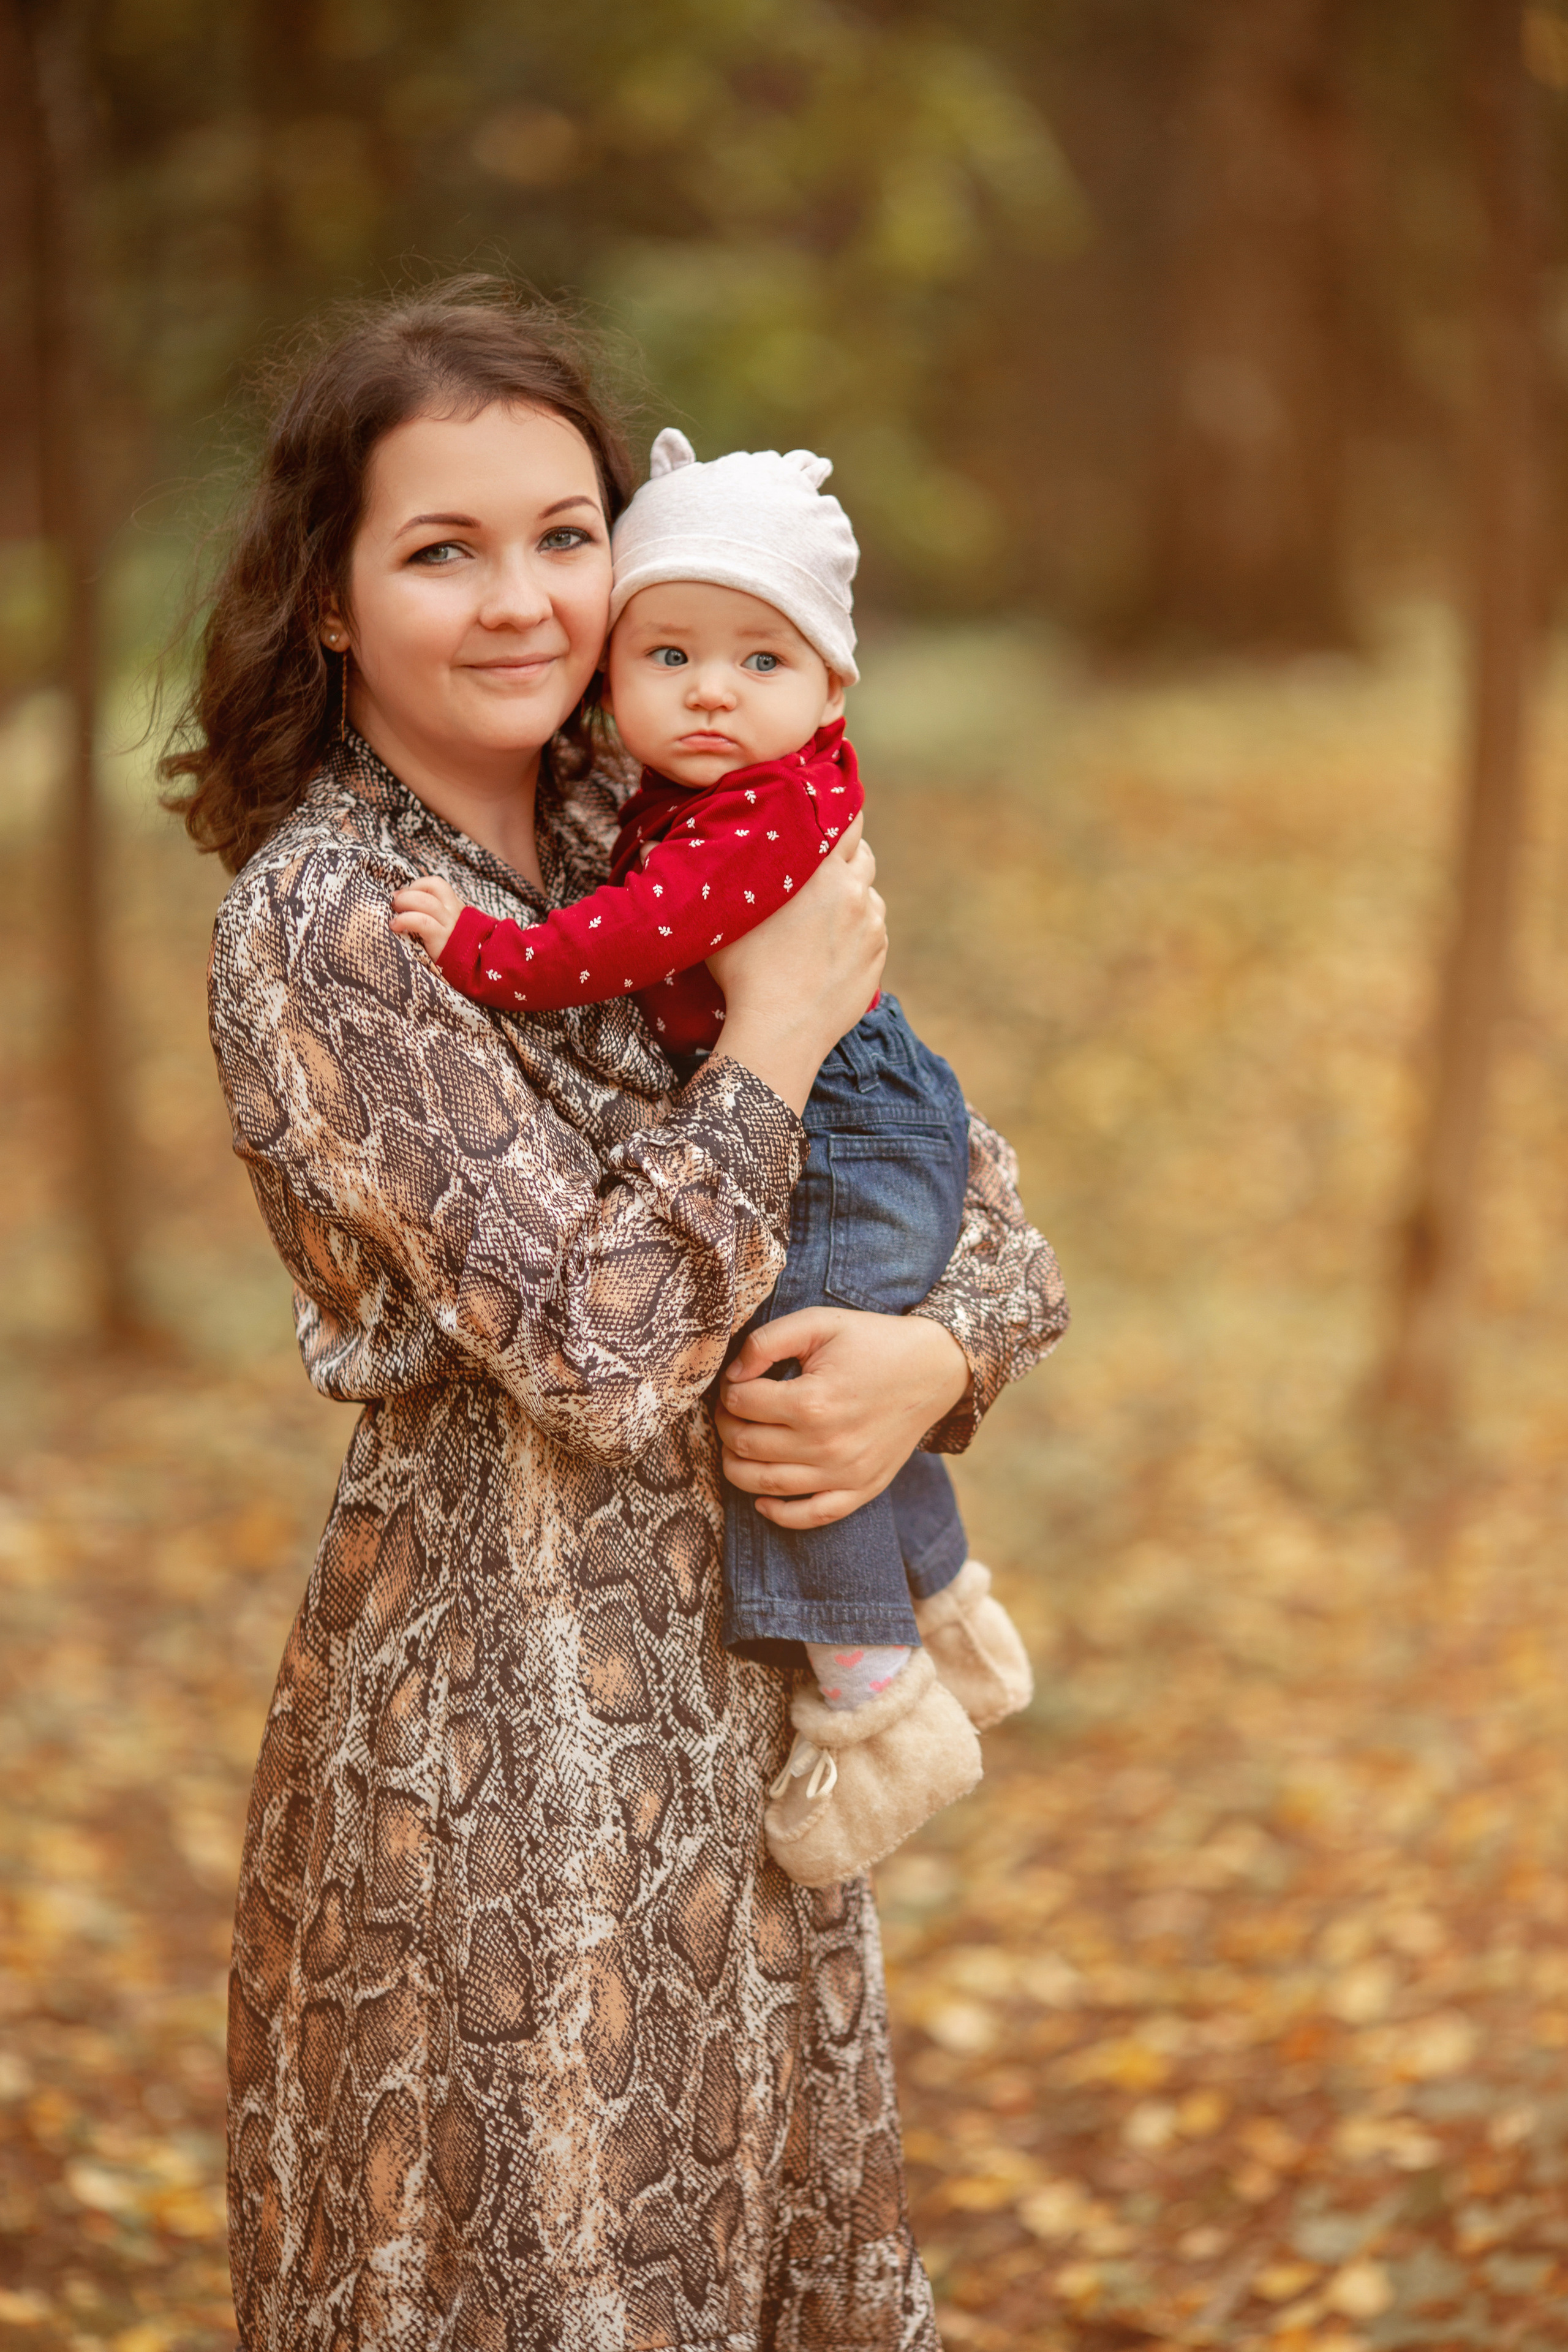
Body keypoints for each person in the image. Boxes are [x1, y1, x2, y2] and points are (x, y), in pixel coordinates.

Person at [163, 279, 1068, 2352]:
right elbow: (599, 1348)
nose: (522, 602)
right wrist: (767, 1042)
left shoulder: (654, 814)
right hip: (505, 1769)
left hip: (752, 1723)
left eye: (565, 536)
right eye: (442, 549)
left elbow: (981, 1210)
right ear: (330, 600)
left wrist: (929, 1363)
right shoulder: (328, 922)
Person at [388, 429, 1041, 1892]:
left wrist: (486, 952)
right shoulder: (646, 795)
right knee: (816, 1354)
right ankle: (940, 1601)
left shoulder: (747, 810)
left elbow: (616, 941)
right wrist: (774, 1029)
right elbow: (596, 1353)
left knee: (785, 1370)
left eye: (759, 660)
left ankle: (871, 1693)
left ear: (830, 688)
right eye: (669, 654)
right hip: (521, 1663)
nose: (707, 692)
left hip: (856, 1123)